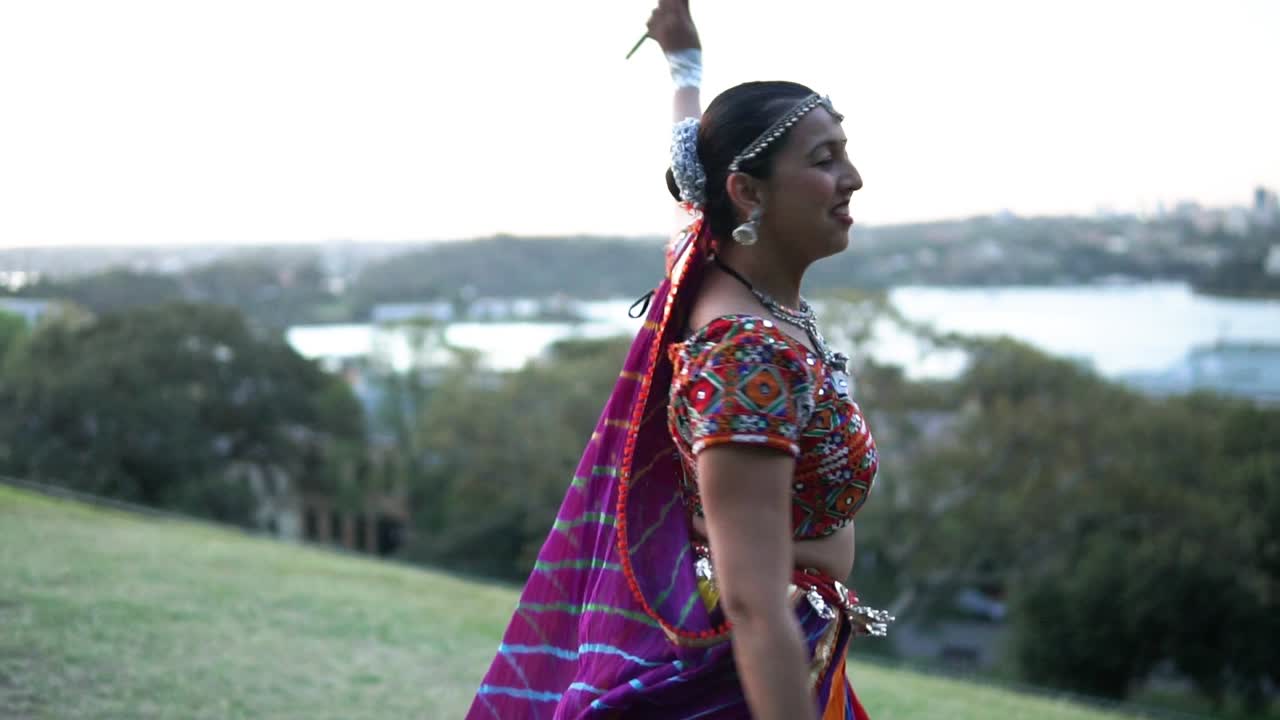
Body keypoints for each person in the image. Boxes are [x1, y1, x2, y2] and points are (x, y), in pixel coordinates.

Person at [466, 2, 889, 718]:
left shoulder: (706, 258)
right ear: (747, 192)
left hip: (785, 651)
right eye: (824, 160)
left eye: (845, 152)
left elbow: (689, 169)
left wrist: (684, 63)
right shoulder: (745, 357)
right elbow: (755, 604)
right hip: (737, 676)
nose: (853, 178)